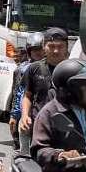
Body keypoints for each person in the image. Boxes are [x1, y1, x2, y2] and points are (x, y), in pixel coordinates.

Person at [18, 27, 69, 156]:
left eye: (60, 46)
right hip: (39, 126)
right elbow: (27, 96)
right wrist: (24, 116)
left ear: (67, 48)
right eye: (51, 46)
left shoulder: (73, 70)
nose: (56, 51)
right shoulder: (34, 69)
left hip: (66, 129)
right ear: (44, 47)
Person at [9, 32, 45, 153]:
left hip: (44, 115)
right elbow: (18, 93)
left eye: (40, 49)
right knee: (23, 153)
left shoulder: (52, 68)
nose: (38, 52)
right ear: (29, 51)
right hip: (26, 116)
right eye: (34, 50)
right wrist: (14, 115)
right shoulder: (22, 69)